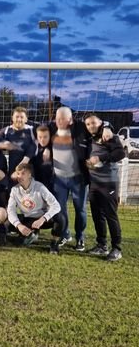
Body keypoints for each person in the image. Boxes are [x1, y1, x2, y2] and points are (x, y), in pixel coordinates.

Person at [51, 107, 112, 251]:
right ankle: (65, 234)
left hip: (78, 179)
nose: (59, 121)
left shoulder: (80, 127)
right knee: (60, 210)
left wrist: (108, 127)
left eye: (63, 119)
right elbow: (33, 129)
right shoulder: (51, 128)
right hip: (59, 179)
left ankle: (80, 237)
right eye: (57, 118)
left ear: (70, 119)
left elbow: (97, 125)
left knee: (81, 210)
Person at [84, 114, 125, 262]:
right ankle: (102, 245)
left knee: (111, 215)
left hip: (108, 183)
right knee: (97, 215)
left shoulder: (109, 136)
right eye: (88, 124)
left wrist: (101, 158)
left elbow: (120, 153)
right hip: (94, 183)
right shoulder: (91, 138)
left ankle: (117, 248)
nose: (91, 126)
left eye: (93, 123)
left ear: (100, 123)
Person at [7, 163, 66, 254]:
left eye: (23, 173)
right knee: (7, 223)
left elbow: (56, 205)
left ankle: (54, 243)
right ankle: (32, 234)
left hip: (43, 219)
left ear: (29, 175)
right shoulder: (14, 190)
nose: (19, 176)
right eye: (18, 173)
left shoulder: (40, 187)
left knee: (60, 218)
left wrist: (43, 219)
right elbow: (11, 211)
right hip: (28, 219)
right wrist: (19, 226)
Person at [0, 106, 37, 181]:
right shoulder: (6, 131)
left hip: (28, 173)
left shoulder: (32, 130)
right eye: (17, 117)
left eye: (22, 117)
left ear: (26, 119)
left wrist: (25, 161)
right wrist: (2, 143)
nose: (19, 119)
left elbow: (36, 145)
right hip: (12, 173)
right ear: (12, 118)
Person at [32, 125, 54, 193]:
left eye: (45, 137)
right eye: (40, 137)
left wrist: (48, 147)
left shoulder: (54, 148)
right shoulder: (33, 149)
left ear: (50, 136)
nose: (42, 140)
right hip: (37, 185)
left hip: (52, 185)